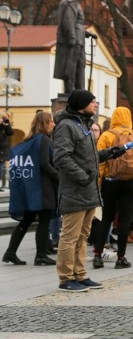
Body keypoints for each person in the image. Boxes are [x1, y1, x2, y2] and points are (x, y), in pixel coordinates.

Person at [53, 89, 127, 292]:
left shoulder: (83, 125)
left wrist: (109, 153)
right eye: (92, 101)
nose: (96, 104)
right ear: (81, 104)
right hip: (75, 190)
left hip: (88, 192)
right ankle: (66, 278)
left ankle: (80, 274)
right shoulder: (67, 126)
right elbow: (61, 157)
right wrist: (83, 177)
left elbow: (88, 158)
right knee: (70, 236)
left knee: (83, 235)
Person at [91, 106, 133, 269]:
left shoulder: (106, 135)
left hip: (109, 182)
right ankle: (121, 258)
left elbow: (99, 163)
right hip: (130, 182)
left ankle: (97, 256)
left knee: (105, 218)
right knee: (124, 221)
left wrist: (98, 184)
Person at [2, 112, 59, 266]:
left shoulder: (30, 140)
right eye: (51, 122)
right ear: (45, 124)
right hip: (43, 188)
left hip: (32, 189)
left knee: (26, 221)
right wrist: (60, 177)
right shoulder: (44, 139)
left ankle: (10, 252)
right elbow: (45, 164)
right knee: (44, 221)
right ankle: (40, 256)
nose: (53, 124)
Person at [54, 0, 97, 94]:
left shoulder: (76, 3)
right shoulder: (70, 2)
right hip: (74, 40)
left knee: (80, 65)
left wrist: (87, 34)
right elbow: (68, 21)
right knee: (71, 65)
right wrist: (72, 37)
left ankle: (80, 90)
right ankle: (70, 89)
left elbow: (77, 24)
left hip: (79, 39)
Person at [0, 110, 14, 191]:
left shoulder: (4, 126)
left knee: (1, 169)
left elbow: (11, 133)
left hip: (2, 151)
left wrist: (7, 125)